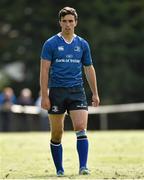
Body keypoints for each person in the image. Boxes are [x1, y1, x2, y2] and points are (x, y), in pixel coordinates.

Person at [40, 7, 100, 176]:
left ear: (76, 23)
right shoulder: (50, 43)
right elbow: (44, 71)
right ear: (60, 22)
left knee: (81, 128)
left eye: (70, 21)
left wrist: (95, 93)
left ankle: (83, 167)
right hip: (57, 92)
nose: (67, 24)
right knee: (57, 134)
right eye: (64, 21)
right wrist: (44, 96)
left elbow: (89, 68)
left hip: (77, 91)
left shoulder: (82, 44)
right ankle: (59, 169)